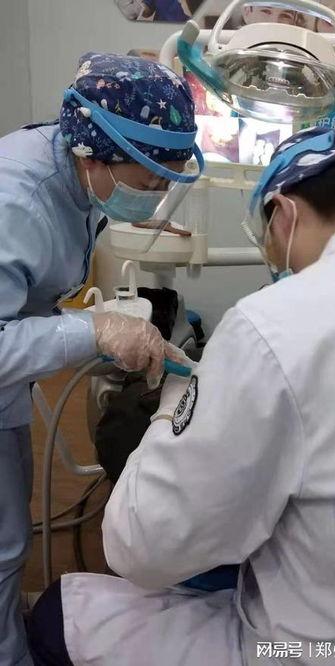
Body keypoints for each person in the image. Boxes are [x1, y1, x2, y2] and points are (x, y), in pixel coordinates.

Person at [27, 127, 335, 665]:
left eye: (267, 239)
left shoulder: (273, 324)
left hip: (326, 649)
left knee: (61, 616)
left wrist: (173, 406)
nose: (277, 259)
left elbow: (140, 547)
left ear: (284, 213)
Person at [0, 51, 202, 666]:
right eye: (150, 182)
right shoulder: (17, 201)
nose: (158, 197)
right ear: (94, 156)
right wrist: (93, 330)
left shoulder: (76, 171)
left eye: (168, 181)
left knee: (9, 540)